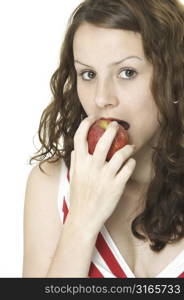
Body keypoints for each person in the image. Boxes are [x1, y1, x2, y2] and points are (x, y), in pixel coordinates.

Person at [22, 0, 184, 278]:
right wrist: (81, 222)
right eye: (88, 74)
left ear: (173, 77)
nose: (101, 98)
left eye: (127, 72)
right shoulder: (52, 183)